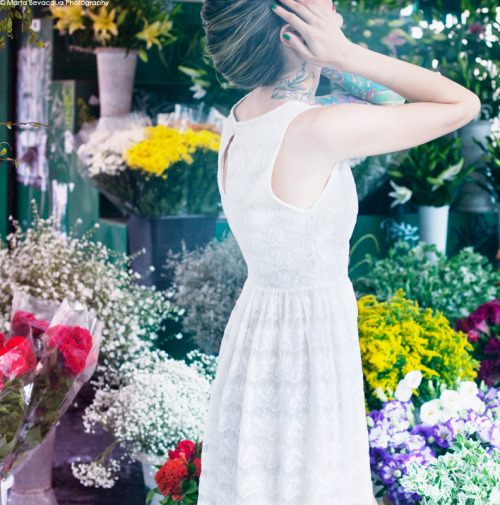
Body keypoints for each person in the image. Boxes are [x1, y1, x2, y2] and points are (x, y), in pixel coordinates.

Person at [196, 1, 480, 504]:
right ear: (293, 30)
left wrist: (325, 60)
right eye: (322, 5)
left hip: (260, 327)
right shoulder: (316, 130)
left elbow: (395, 106)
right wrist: (345, 54)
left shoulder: (242, 117)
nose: (336, 10)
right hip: (308, 339)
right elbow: (461, 105)